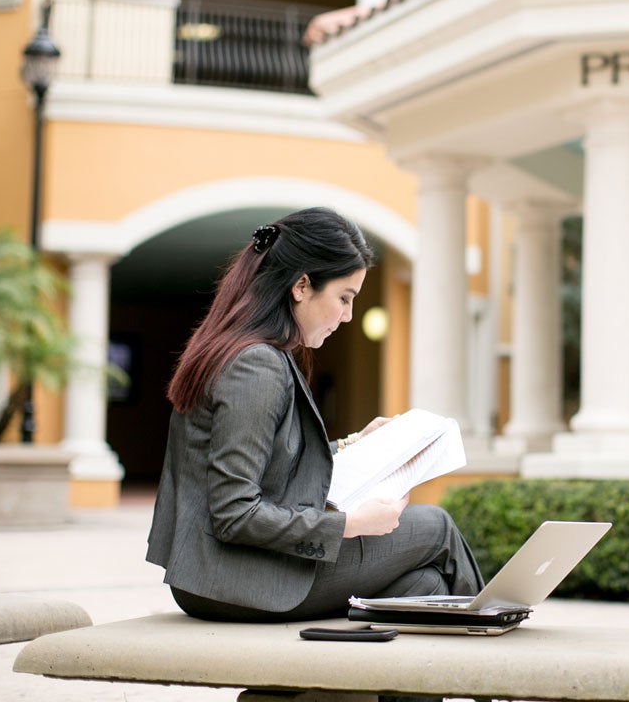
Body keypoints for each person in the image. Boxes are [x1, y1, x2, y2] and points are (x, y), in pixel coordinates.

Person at [146, 207, 484, 623]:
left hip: (223, 577)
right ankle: (494, 652)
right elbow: (235, 513)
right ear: (302, 286)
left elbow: (265, 461)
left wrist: (355, 443)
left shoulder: (246, 351)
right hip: (236, 579)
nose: (348, 316)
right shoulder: (256, 365)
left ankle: (330, 690)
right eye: (344, 298)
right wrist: (350, 524)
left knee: (424, 587)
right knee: (433, 525)